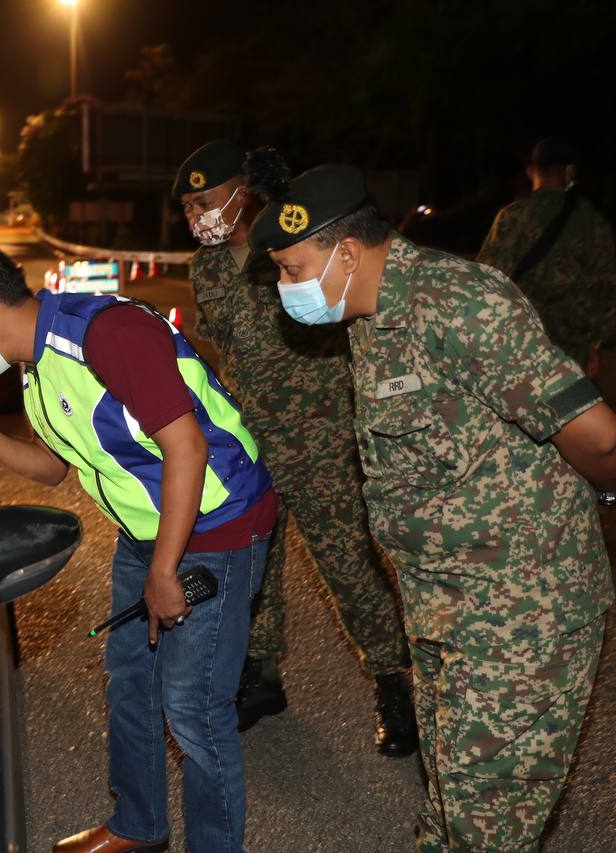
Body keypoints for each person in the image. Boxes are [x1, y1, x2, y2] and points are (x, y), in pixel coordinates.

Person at [249, 163, 616, 851]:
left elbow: (599, 437)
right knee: (447, 808)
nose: (284, 288)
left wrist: (596, 496)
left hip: (519, 617)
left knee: (486, 829)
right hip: (443, 611)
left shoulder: (459, 302)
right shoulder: (368, 312)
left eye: (291, 268)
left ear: (347, 252)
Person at [0, 243, 277, 853]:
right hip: (149, 530)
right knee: (130, 679)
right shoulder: (36, 364)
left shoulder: (110, 334)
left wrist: (164, 570)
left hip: (216, 525)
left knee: (194, 709)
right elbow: (53, 468)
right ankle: (139, 824)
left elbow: (188, 449)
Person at [174, 141, 415, 752]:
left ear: (242, 191)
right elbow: (224, 351)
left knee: (347, 565)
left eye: (205, 200)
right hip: (251, 439)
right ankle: (261, 676)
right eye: (186, 206)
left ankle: (394, 681)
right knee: (253, 566)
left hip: (320, 435)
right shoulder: (203, 271)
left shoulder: (287, 249)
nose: (196, 215)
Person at [477, 136, 616, 368]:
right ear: (570, 171)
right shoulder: (591, 222)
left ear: (531, 171)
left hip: (518, 347)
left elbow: (486, 281)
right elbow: (606, 288)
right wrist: (593, 342)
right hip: (569, 353)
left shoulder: (511, 216)